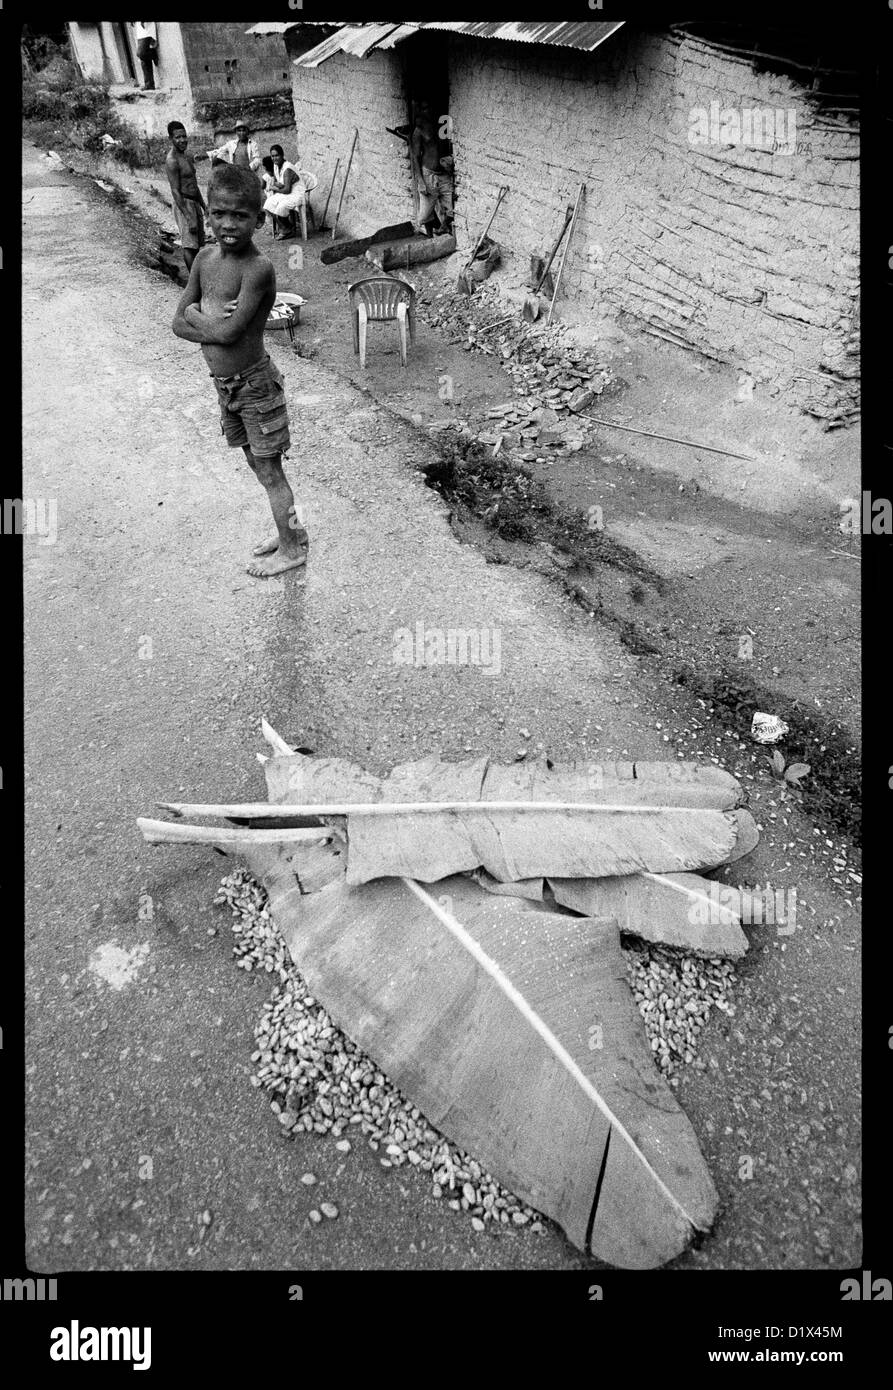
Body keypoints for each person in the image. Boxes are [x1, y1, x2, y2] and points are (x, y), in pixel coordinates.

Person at [171, 165, 308, 579]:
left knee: (270, 469)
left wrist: (201, 316)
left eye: (240, 215)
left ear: (260, 219)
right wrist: (199, 316)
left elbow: (230, 334)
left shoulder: (257, 268)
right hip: (225, 386)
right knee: (255, 463)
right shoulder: (205, 260)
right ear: (208, 214)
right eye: (219, 213)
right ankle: (293, 533)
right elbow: (177, 323)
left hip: (255, 385)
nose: (228, 224)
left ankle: (291, 549)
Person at [164, 121, 206, 273]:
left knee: (198, 244)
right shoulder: (172, 160)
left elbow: (193, 184)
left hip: (194, 202)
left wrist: (204, 206)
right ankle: (194, 282)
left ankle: (198, 279)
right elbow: (175, 191)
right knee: (189, 246)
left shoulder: (186, 156)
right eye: (178, 137)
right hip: (184, 204)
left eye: (184, 136)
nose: (182, 140)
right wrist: (188, 216)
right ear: (171, 139)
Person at [411, 102, 454, 236]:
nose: (427, 112)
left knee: (452, 208)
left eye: (429, 108)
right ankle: (430, 237)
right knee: (425, 214)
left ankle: (444, 227)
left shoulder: (444, 125)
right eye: (424, 109)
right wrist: (421, 181)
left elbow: (450, 145)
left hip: (444, 175)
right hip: (428, 174)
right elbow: (415, 157)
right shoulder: (420, 130)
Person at [262, 145, 305, 240]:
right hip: (287, 192)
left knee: (281, 206)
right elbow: (283, 184)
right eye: (272, 156)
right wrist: (277, 184)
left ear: (282, 155)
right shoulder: (276, 166)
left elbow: (287, 190)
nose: (274, 158)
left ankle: (286, 229)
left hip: (296, 193)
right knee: (268, 204)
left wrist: (274, 188)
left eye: (277, 155)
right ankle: (286, 228)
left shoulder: (287, 168)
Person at [133, 21, 158, 90]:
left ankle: (153, 53)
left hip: (147, 30)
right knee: (143, 58)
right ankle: (149, 84)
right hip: (140, 32)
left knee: (141, 53)